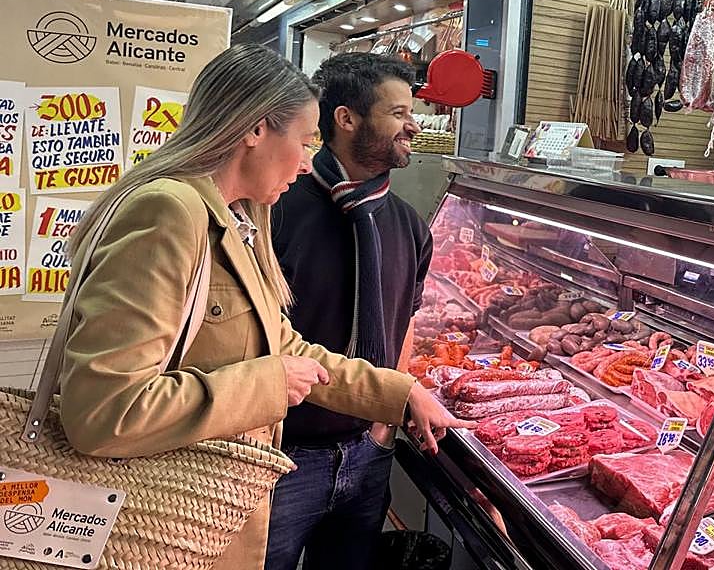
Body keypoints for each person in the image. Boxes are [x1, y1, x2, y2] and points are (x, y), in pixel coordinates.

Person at [58, 44, 471, 570]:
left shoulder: (236, 218)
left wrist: (397, 391)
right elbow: (103, 412)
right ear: (254, 130)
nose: (304, 163)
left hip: (222, 492)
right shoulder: (170, 212)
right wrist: (271, 382)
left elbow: (286, 344)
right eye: (302, 142)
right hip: (175, 508)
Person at [265, 53, 430, 570]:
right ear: (347, 119)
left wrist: (383, 422)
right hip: (281, 456)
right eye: (399, 113)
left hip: (367, 452)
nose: (413, 125)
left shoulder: (408, 223)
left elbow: (405, 321)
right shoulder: (278, 208)